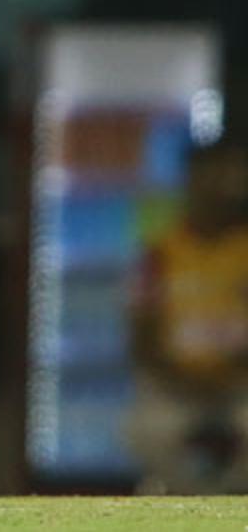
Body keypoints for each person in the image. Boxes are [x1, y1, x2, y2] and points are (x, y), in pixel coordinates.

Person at [128, 140, 248, 493]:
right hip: (174, 393)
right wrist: (182, 382)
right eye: (211, 176)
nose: (221, 188)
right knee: (148, 430)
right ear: (191, 180)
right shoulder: (158, 254)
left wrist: (229, 380)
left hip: (239, 392)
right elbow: (141, 338)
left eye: (231, 177)